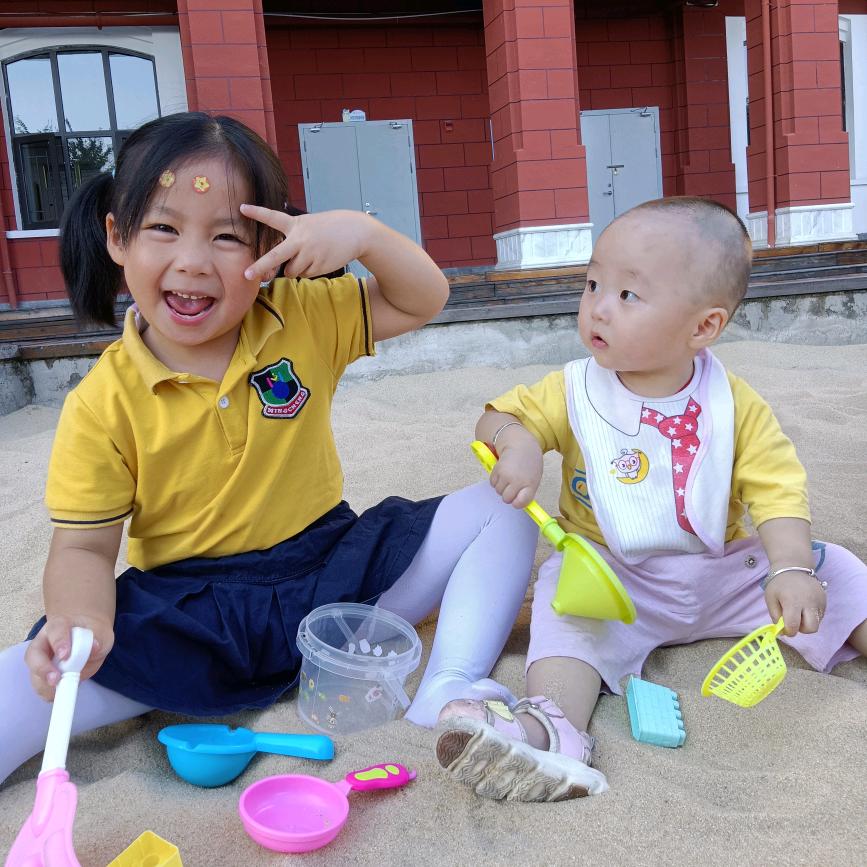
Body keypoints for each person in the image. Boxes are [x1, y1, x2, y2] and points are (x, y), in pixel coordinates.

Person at [0, 112, 538, 785]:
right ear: (116, 236)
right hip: (193, 619)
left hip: (333, 583)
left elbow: (423, 297)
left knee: (503, 512)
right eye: (164, 228)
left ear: (272, 246)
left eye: (228, 236)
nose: (193, 260)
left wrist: (364, 233)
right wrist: (81, 622)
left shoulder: (302, 314)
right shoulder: (100, 403)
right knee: (28, 676)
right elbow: (83, 549)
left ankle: (447, 685)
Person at [434, 197, 867, 802]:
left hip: (724, 574)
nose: (598, 307)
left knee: (835, 570)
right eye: (592, 284)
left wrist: (791, 567)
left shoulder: (733, 405)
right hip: (611, 583)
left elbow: (777, 489)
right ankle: (551, 729)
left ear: (703, 327)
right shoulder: (574, 389)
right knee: (565, 624)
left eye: (628, 295)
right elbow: (498, 418)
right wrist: (517, 442)